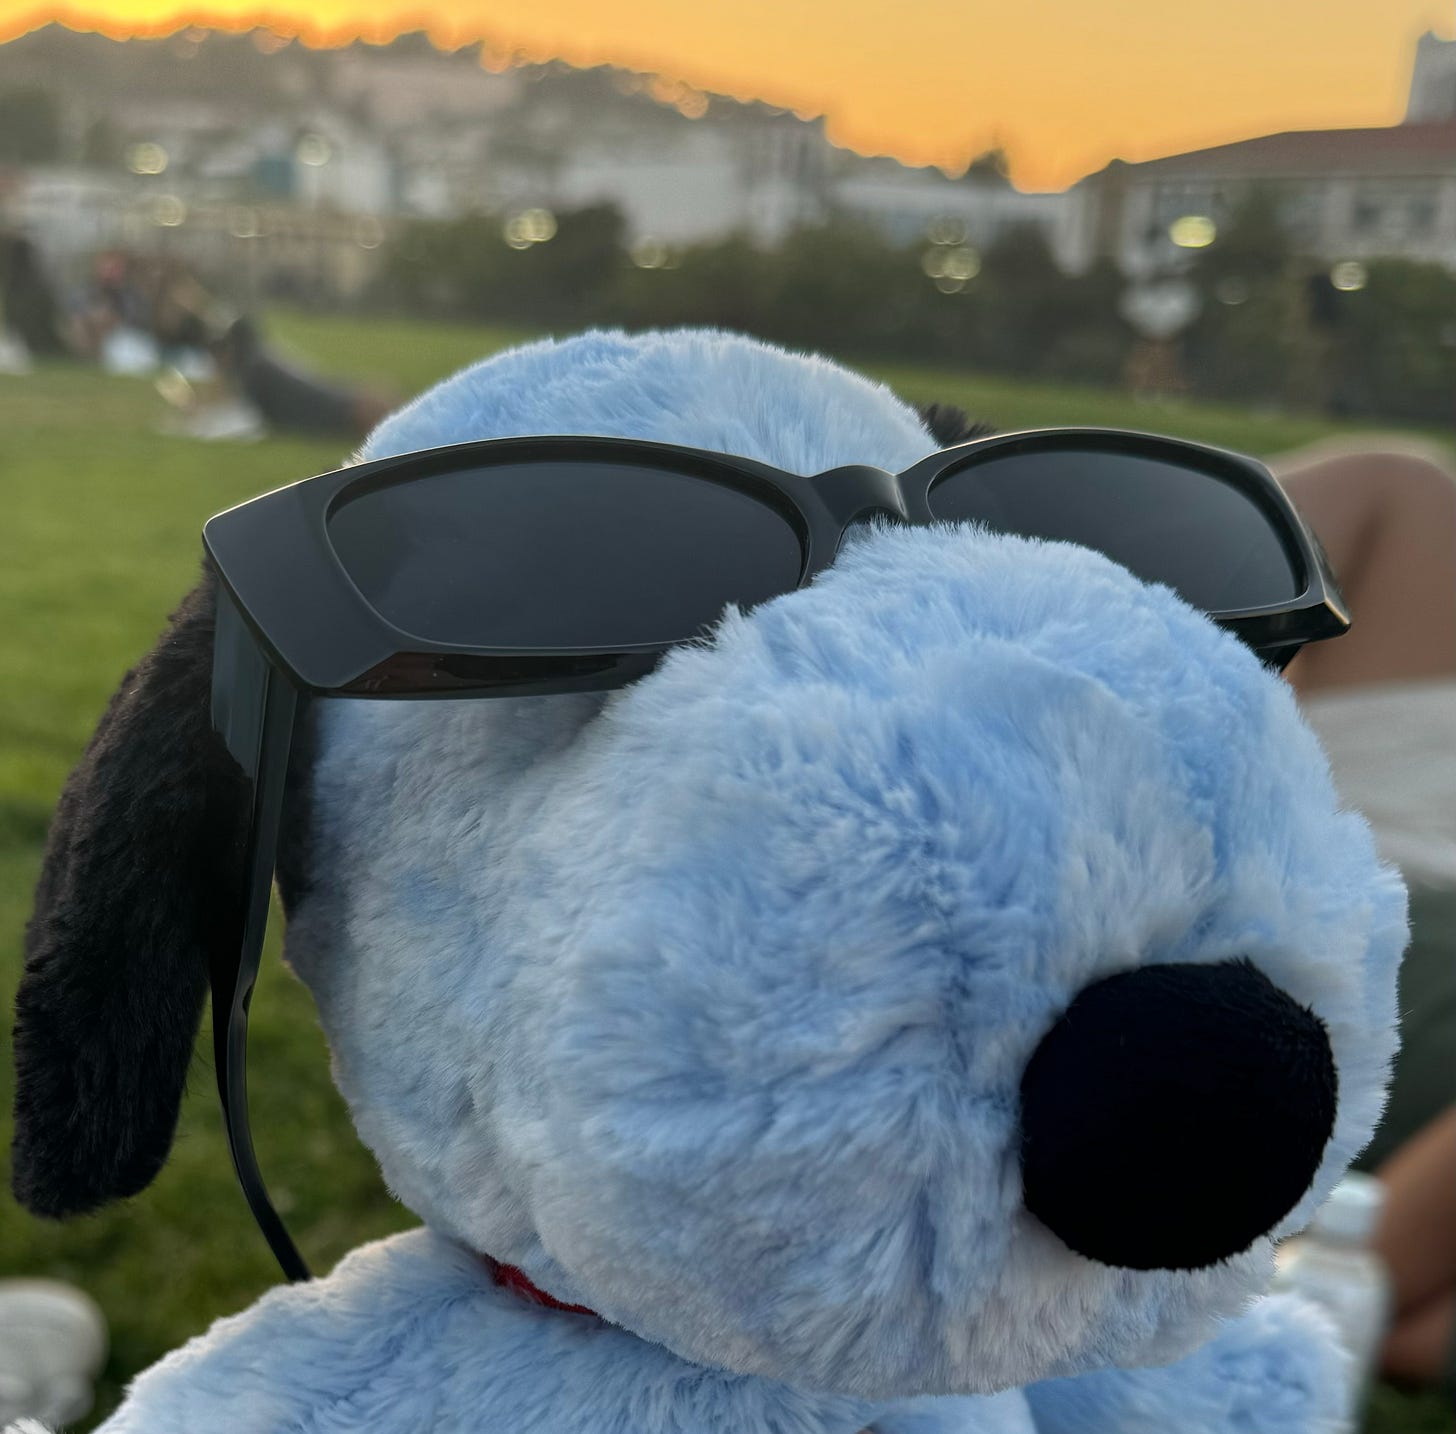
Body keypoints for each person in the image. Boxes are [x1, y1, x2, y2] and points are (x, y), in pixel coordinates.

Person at [1275, 440, 1456, 1396]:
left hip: (1351, 912)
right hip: (1419, 853)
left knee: (1391, 499)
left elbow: (1384, 1322)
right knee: (1401, 493)